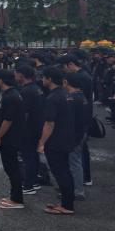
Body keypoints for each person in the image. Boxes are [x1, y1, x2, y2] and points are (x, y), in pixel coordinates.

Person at [38, 67, 75, 216]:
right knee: (65, 171)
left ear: (50, 79)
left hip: (56, 140)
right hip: (66, 137)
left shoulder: (53, 97)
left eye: (44, 77)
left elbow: (50, 123)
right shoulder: (66, 94)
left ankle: (67, 205)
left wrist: (41, 141)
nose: (42, 80)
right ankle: (66, 202)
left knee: (61, 172)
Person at [0, 69, 26, 210]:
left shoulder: (11, 96)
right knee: (11, 168)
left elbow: (8, 120)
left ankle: (17, 200)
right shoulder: (10, 94)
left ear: (1, 80)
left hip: (10, 138)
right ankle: (14, 196)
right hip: (11, 137)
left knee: (12, 168)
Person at [15, 65, 45, 194]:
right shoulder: (36, 88)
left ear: (21, 75)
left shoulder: (26, 91)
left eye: (16, 73)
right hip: (36, 127)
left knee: (28, 157)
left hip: (29, 129)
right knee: (33, 155)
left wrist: (18, 128)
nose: (15, 76)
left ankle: (28, 185)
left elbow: (24, 114)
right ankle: (34, 181)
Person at [64, 73, 91, 201]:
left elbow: (69, 119)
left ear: (67, 82)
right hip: (81, 132)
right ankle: (74, 188)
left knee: (74, 162)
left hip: (74, 134)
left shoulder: (72, 98)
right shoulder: (82, 96)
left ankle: (77, 191)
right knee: (75, 161)